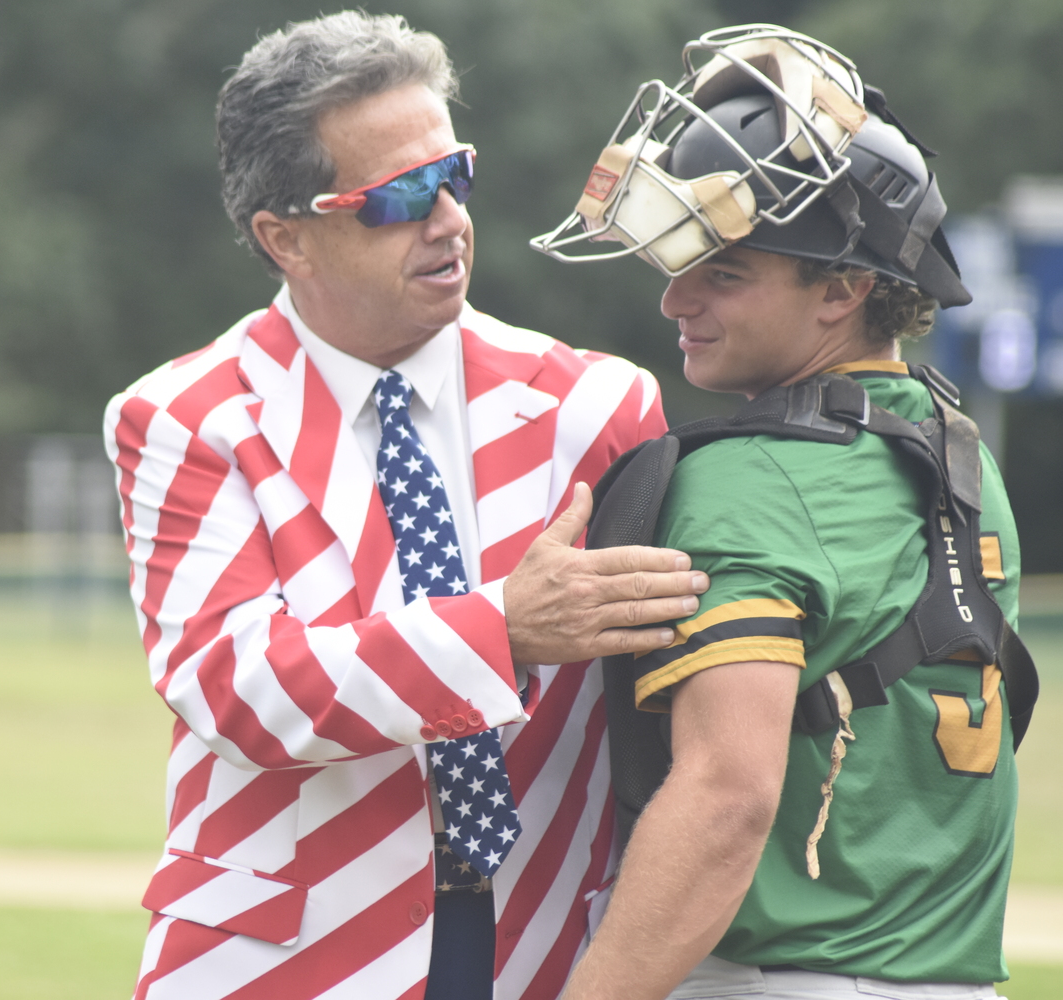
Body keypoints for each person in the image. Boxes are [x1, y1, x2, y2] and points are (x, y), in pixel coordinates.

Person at [104, 12, 709, 1000]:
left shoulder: (599, 406)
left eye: (454, 174)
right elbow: (237, 685)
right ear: (283, 237)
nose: (448, 218)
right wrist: (500, 631)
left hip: (546, 948)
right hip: (276, 964)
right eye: (399, 196)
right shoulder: (185, 417)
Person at [531, 24, 1026, 1000]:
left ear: (843, 287)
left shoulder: (749, 479)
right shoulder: (952, 441)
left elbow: (725, 800)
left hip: (775, 976)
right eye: (682, 259)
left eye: (725, 271)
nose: (675, 298)